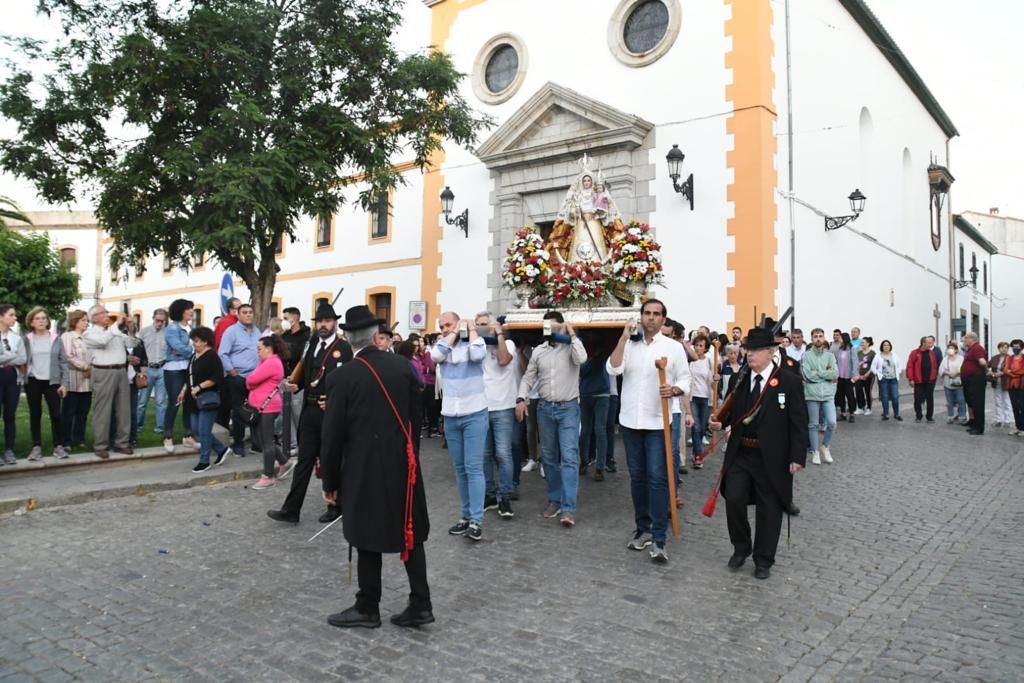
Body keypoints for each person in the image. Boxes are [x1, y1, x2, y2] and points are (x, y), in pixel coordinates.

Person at [321, 304, 431, 629]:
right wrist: (412, 456)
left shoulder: (342, 376)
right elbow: (416, 419)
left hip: (363, 465)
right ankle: (421, 603)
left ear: (348, 338)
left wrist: (330, 480)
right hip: (403, 462)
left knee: (365, 532)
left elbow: (333, 436)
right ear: (374, 335)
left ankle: (368, 606)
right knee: (410, 530)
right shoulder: (402, 366)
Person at [709, 326, 808, 580]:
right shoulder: (739, 380)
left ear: (771, 352)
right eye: (748, 349)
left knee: (769, 507)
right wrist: (721, 422)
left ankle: (764, 559)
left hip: (772, 457)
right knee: (734, 500)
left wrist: (797, 456)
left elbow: (798, 422)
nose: (750, 354)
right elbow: (734, 414)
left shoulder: (789, 382)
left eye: (755, 350)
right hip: (741, 453)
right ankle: (741, 547)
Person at [607, 299, 691, 563]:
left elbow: (685, 379)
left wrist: (674, 390)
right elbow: (613, 368)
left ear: (663, 319)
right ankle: (642, 527)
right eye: (647, 313)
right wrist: (622, 337)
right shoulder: (629, 345)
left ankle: (659, 536)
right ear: (641, 317)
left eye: (656, 314)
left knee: (657, 478)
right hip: (631, 421)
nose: (651, 318)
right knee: (637, 478)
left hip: (657, 422)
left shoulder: (674, 348)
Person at [268, 303, 353, 524]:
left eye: (327, 321)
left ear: (334, 323)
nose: (323, 325)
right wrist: (299, 386)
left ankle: (335, 505)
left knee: (330, 459)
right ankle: (291, 509)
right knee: (304, 460)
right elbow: (309, 373)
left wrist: (335, 403)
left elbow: (346, 380)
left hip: (329, 412)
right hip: (310, 410)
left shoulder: (342, 347)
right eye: (320, 321)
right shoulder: (312, 343)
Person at [517, 311, 587, 528]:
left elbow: (582, 359)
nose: (550, 330)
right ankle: (555, 499)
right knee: (548, 457)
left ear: (561, 326)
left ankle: (568, 508)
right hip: (545, 409)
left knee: (568, 456)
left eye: (554, 327)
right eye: (546, 327)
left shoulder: (572, 347)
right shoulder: (539, 351)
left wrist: (571, 334)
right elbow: (529, 376)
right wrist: (521, 397)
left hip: (568, 408)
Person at [432, 311, 488, 541]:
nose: (444, 329)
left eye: (448, 325)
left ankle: (476, 519)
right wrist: (453, 334)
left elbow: (478, 354)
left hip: (474, 412)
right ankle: (465, 515)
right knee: (460, 469)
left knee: (474, 467)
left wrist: (470, 328)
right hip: (451, 415)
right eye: (442, 326)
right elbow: (435, 356)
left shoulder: (474, 342)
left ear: (459, 323)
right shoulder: (443, 346)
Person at [475, 311, 517, 519]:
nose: (483, 327)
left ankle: (505, 497)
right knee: (484, 455)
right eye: (479, 324)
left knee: (503, 454)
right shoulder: (477, 346)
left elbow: (503, 360)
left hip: (502, 406)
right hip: (481, 407)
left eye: (486, 324)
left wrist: (499, 334)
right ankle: (489, 495)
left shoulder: (507, 344)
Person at [82, 304, 133, 459]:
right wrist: (116, 324)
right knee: (102, 410)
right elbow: (103, 342)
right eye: (104, 313)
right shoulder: (89, 333)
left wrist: (129, 327)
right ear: (95, 317)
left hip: (120, 371)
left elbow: (132, 343)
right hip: (103, 371)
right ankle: (100, 445)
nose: (107, 315)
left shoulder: (114, 331)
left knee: (124, 409)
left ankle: (122, 443)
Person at [179, 326, 230, 472]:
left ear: (205, 342)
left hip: (208, 398)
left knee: (204, 430)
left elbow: (217, 377)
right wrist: (184, 390)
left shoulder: (212, 356)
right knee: (196, 429)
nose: (194, 344)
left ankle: (204, 460)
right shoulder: (194, 356)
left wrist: (200, 387)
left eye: (197, 341)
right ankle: (221, 449)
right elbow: (189, 376)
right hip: (192, 399)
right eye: (194, 341)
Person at [22, 307, 68, 460]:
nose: (41, 321)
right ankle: (36, 447)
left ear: (48, 321)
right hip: (33, 380)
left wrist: (64, 383)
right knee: (35, 414)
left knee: (56, 414)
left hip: (52, 381)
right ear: (31, 322)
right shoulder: (27, 339)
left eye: (43, 318)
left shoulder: (56, 338)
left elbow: (63, 362)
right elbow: (22, 360)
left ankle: (58, 446)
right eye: (37, 318)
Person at [248, 336, 292, 489]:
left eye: (259, 349)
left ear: (268, 349)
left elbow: (251, 380)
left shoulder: (271, 362)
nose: (257, 352)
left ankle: (268, 475)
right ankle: (284, 461)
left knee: (267, 442)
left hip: (267, 406)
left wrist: (251, 382)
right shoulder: (267, 361)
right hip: (263, 405)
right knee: (264, 440)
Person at [219, 303, 262, 456]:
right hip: (238, 377)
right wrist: (231, 371)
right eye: (245, 312)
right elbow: (222, 353)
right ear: (238, 314)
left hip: (256, 377)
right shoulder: (231, 332)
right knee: (238, 411)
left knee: (256, 409)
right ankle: (238, 443)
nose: (249, 315)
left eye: (250, 312)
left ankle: (257, 443)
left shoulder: (257, 331)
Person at [163, 299, 197, 452]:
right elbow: (176, 346)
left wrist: (187, 350)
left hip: (188, 367)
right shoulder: (172, 328)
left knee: (189, 401)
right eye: (188, 309)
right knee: (175, 401)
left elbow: (195, 345)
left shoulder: (190, 328)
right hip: (174, 369)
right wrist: (192, 351)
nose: (191, 312)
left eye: (191, 309)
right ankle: (168, 436)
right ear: (180, 311)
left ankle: (188, 435)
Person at [801, 328, 838, 465]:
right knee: (813, 425)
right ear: (811, 339)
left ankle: (825, 446)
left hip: (828, 394)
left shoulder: (830, 356)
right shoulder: (806, 356)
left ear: (824, 338)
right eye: (815, 336)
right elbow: (807, 375)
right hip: (811, 393)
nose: (818, 338)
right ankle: (815, 451)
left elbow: (835, 374)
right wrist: (825, 374)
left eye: (820, 336)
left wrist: (818, 372)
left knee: (832, 422)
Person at [60, 310, 92, 451]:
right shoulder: (68, 336)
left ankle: (79, 438)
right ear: (75, 321)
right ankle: (66, 440)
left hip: (87, 380)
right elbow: (68, 356)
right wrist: (85, 366)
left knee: (83, 411)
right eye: (83, 320)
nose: (86, 323)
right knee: (69, 411)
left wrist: (91, 368)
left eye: (87, 320)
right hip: (73, 379)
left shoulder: (87, 338)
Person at [578, 341, 611, 482]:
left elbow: (582, 371)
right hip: (591, 394)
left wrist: (593, 358)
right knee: (588, 431)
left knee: (597, 430)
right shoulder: (583, 349)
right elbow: (580, 371)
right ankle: (586, 462)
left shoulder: (604, 352)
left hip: (598, 394)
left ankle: (597, 466)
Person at [280, 306, 310, 452]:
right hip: (286, 378)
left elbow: (298, 355)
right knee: (287, 412)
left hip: (300, 380)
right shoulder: (285, 336)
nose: (284, 321)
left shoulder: (306, 335)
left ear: (295, 318)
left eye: (286, 318)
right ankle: (292, 443)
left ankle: (304, 442)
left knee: (298, 413)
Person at [137, 309, 168, 435]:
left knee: (161, 401)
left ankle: (160, 427)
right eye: (157, 320)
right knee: (142, 400)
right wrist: (141, 368)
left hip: (162, 368)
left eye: (162, 321)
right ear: (153, 318)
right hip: (147, 368)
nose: (160, 323)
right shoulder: (144, 332)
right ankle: (138, 425)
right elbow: (138, 350)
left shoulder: (167, 333)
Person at [0, 304, 25, 464]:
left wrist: (5, 356)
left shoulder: (17, 338)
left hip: (12, 378)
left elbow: (22, 358)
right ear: (1, 317)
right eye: (11, 315)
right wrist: (12, 356)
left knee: (10, 415)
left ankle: (9, 450)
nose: (15, 318)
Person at [688, 335, 714, 468]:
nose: (698, 348)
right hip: (693, 397)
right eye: (696, 345)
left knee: (703, 427)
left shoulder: (709, 361)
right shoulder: (690, 361)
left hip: (705, 397)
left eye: (701, 346)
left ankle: (695, 450)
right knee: (696, 426)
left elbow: (713, 380)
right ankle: (698, 455)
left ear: (705, 348)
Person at [960, 332, 988, 436]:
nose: (964, 340)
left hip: (976, 379)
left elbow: (982, 362)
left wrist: (986, 371)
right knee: (971, 401)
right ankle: (973, 422)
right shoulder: (971, 349)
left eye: (966, 338)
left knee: (977, 403)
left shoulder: (977, 348)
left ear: (972, 339)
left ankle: (979, 427)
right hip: (969, 379)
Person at [906, 336, 939, 423]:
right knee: (917, 399)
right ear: (923, 343)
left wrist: (934, 376)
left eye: (931, 343)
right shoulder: (914, 353)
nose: (931, 345)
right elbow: (910, 366)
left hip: (930, 380)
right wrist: (911, 378)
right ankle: (919, 416)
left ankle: (929, 416)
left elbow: (935, 365)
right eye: (929, 343)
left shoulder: (932, 353)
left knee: (930, 399)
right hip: (918, 380)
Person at [870, 340, 903, 421]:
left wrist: (898, 373)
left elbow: (899, 366)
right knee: (884, 397)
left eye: (888, 345)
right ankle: (886, 414)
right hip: (883, 379)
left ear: (890, 346)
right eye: (884, 345)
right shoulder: (878, 356)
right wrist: (878, 374)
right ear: (882, 347)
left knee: (895, 397)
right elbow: (873, 367)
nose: (886, 347)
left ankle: (896, 414)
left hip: (893, 379)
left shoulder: (894, 355)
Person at [832, 332, 857, 423]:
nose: (839, 339)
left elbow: (855, 362)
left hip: (848, 376)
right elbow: (837, 361)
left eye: (840, 337)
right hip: (840, 376)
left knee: (849, 395)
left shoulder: (852, 349)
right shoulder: (840, 349)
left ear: (844, 338)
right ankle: (843, 413)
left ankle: (852, 414)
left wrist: (854, 374)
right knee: (840, 395)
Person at [939, 341, 967, 424]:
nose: (950, 350)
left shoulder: (960, 358)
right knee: (949, 401)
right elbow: (941, 370)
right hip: (948, 383)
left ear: (956, 350)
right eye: (949, 348)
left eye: (952, 348)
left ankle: (962, 416)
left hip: (958, 383)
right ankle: (950, 416)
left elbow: (963, 368)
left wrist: (956, 373)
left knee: (961, 400)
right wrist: (948, 373)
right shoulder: (945, 359)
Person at [989, 342, 1013, 429]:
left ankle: (1007, 420)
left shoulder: (1010, 358)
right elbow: (988, 366)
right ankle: (999, 419)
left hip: (1006, 382)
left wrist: (1002, 373)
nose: (1004, 349)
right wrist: (991, 372)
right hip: (996, 382)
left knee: (1006, 401)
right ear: (999, 348)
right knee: (998, 401)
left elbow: (1013, 369)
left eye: (1006, 347)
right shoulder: (994, 358)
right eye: (1002, 347)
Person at [1005, 339, 1024, 436]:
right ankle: (1018, 427)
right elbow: (1005, 369)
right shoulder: (1010, 358)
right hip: (1011, 385)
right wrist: (1012, 373)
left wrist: (1011, 373)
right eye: (1014, 347)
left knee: (1022, 406)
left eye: (1017, 346)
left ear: (1021, 347)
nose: (1015, 348)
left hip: (1021, 385)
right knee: (1015, 407)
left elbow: (1022, 371)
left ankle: (1023, 428)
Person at [853, 337, 875, 416]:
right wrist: (858, 375)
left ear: (868, 343)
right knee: (858, 391)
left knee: (868, 392)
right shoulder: (859, 353)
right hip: (859, 376)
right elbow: (856, 364)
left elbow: (874, 366)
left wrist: (866, 375)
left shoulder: (872, 353)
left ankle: (869, 408)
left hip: (869, 376)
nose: (861, 344)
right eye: (861, 343)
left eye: (863, 342)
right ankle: (860, 407)